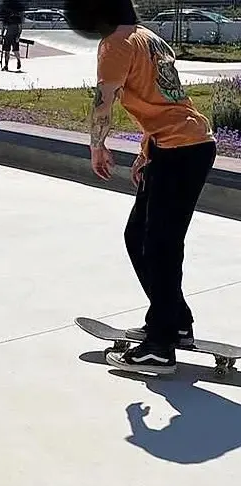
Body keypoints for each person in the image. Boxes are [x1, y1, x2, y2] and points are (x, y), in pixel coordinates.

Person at [65, 0, 216, 374]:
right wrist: (147, 149)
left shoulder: (115, 44)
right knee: (139, 237)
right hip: (179, 145)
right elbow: (165, 98)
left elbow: (105, 101)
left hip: (183, 149)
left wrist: (98, 145)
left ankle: (160, 346)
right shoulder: (148, 38)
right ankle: (174, 322)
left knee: (160, 244)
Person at [0, 0, 25, 71]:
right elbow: (3, 28)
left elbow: (20, 28)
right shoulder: (8, 18)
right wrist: (1, 36)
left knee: (14, 51)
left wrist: (18, 37)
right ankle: (6, 65)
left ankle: (18, 61)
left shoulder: (17, 18)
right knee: (7, 51)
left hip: (12, 37)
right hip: (8, 36)